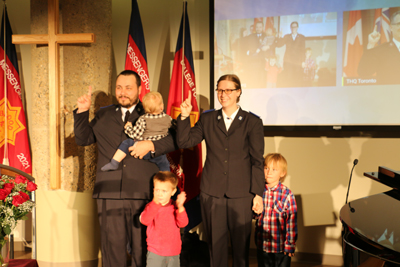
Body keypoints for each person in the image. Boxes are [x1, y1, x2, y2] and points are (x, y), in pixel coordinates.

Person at [74, 70, 178, 267]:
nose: (123, 92)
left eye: (128, 88)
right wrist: (82, 112)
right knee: (111, 251)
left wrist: (151, 146)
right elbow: (83, 139)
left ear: (139, 89)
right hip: (109, 192)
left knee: (143, 249)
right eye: (119, 88)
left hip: (143, 191)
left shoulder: (152, 111)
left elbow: (174, 140)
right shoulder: (103, 114)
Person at [177, 74, 265, 267]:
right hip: (212, 192)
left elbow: (257, 161)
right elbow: (185, 141)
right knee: (215, 249)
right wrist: (184, 117)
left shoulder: (252, 122)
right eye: (220, 90)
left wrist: (258, 194)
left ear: (238, 92)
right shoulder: (208, 118)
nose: (223, 94)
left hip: (241, 194)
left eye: (228, 90)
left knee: (241, 251)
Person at [101, 91, 172, 172]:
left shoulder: (143, 119)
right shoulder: (168, 119)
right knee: (165, 165)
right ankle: (165, 180)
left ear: (145, 109)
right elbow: (173, 129)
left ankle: (114, 163)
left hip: (143, 151)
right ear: (162, 107)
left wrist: (128, 127)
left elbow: (135, 135)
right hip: (158, 153)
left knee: (127, 142)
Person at [254, 153, 297, 267]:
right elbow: (256, 216)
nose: (269, 172)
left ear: (282, 173)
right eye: (266, 168)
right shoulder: (258, 191)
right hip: (262, 246)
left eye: (274, 169)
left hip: (280, 248)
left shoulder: (287, 194)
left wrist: (290, 244)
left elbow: (291, 221)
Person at [140, 171, 188, 267]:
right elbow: (144, 220)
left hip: (173, 252)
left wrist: (181, 207)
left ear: (173, 191)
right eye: (157, 190)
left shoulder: (176, 207)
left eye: (164, 191)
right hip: (155, 252)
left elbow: (183, 223)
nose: (160, 194)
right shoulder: (151, 206)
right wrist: (154, 203)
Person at [358, 10, 400, 85]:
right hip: (389, 95)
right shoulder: (381, 50)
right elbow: (363, 71)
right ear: (391, 27)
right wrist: (371, 45)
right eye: (399, 23)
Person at [274, 21, 306, 87]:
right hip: (288, 61)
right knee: (288, 77)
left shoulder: (302, 37)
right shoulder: (287, 36)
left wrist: (303, 61)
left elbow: (303, 50)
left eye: (295, 27)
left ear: (297, 27)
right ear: (290, 28)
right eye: (292, 27)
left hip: (298, 61)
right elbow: (278, 44)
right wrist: (279, 37)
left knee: (297, 77)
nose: (293, 28)